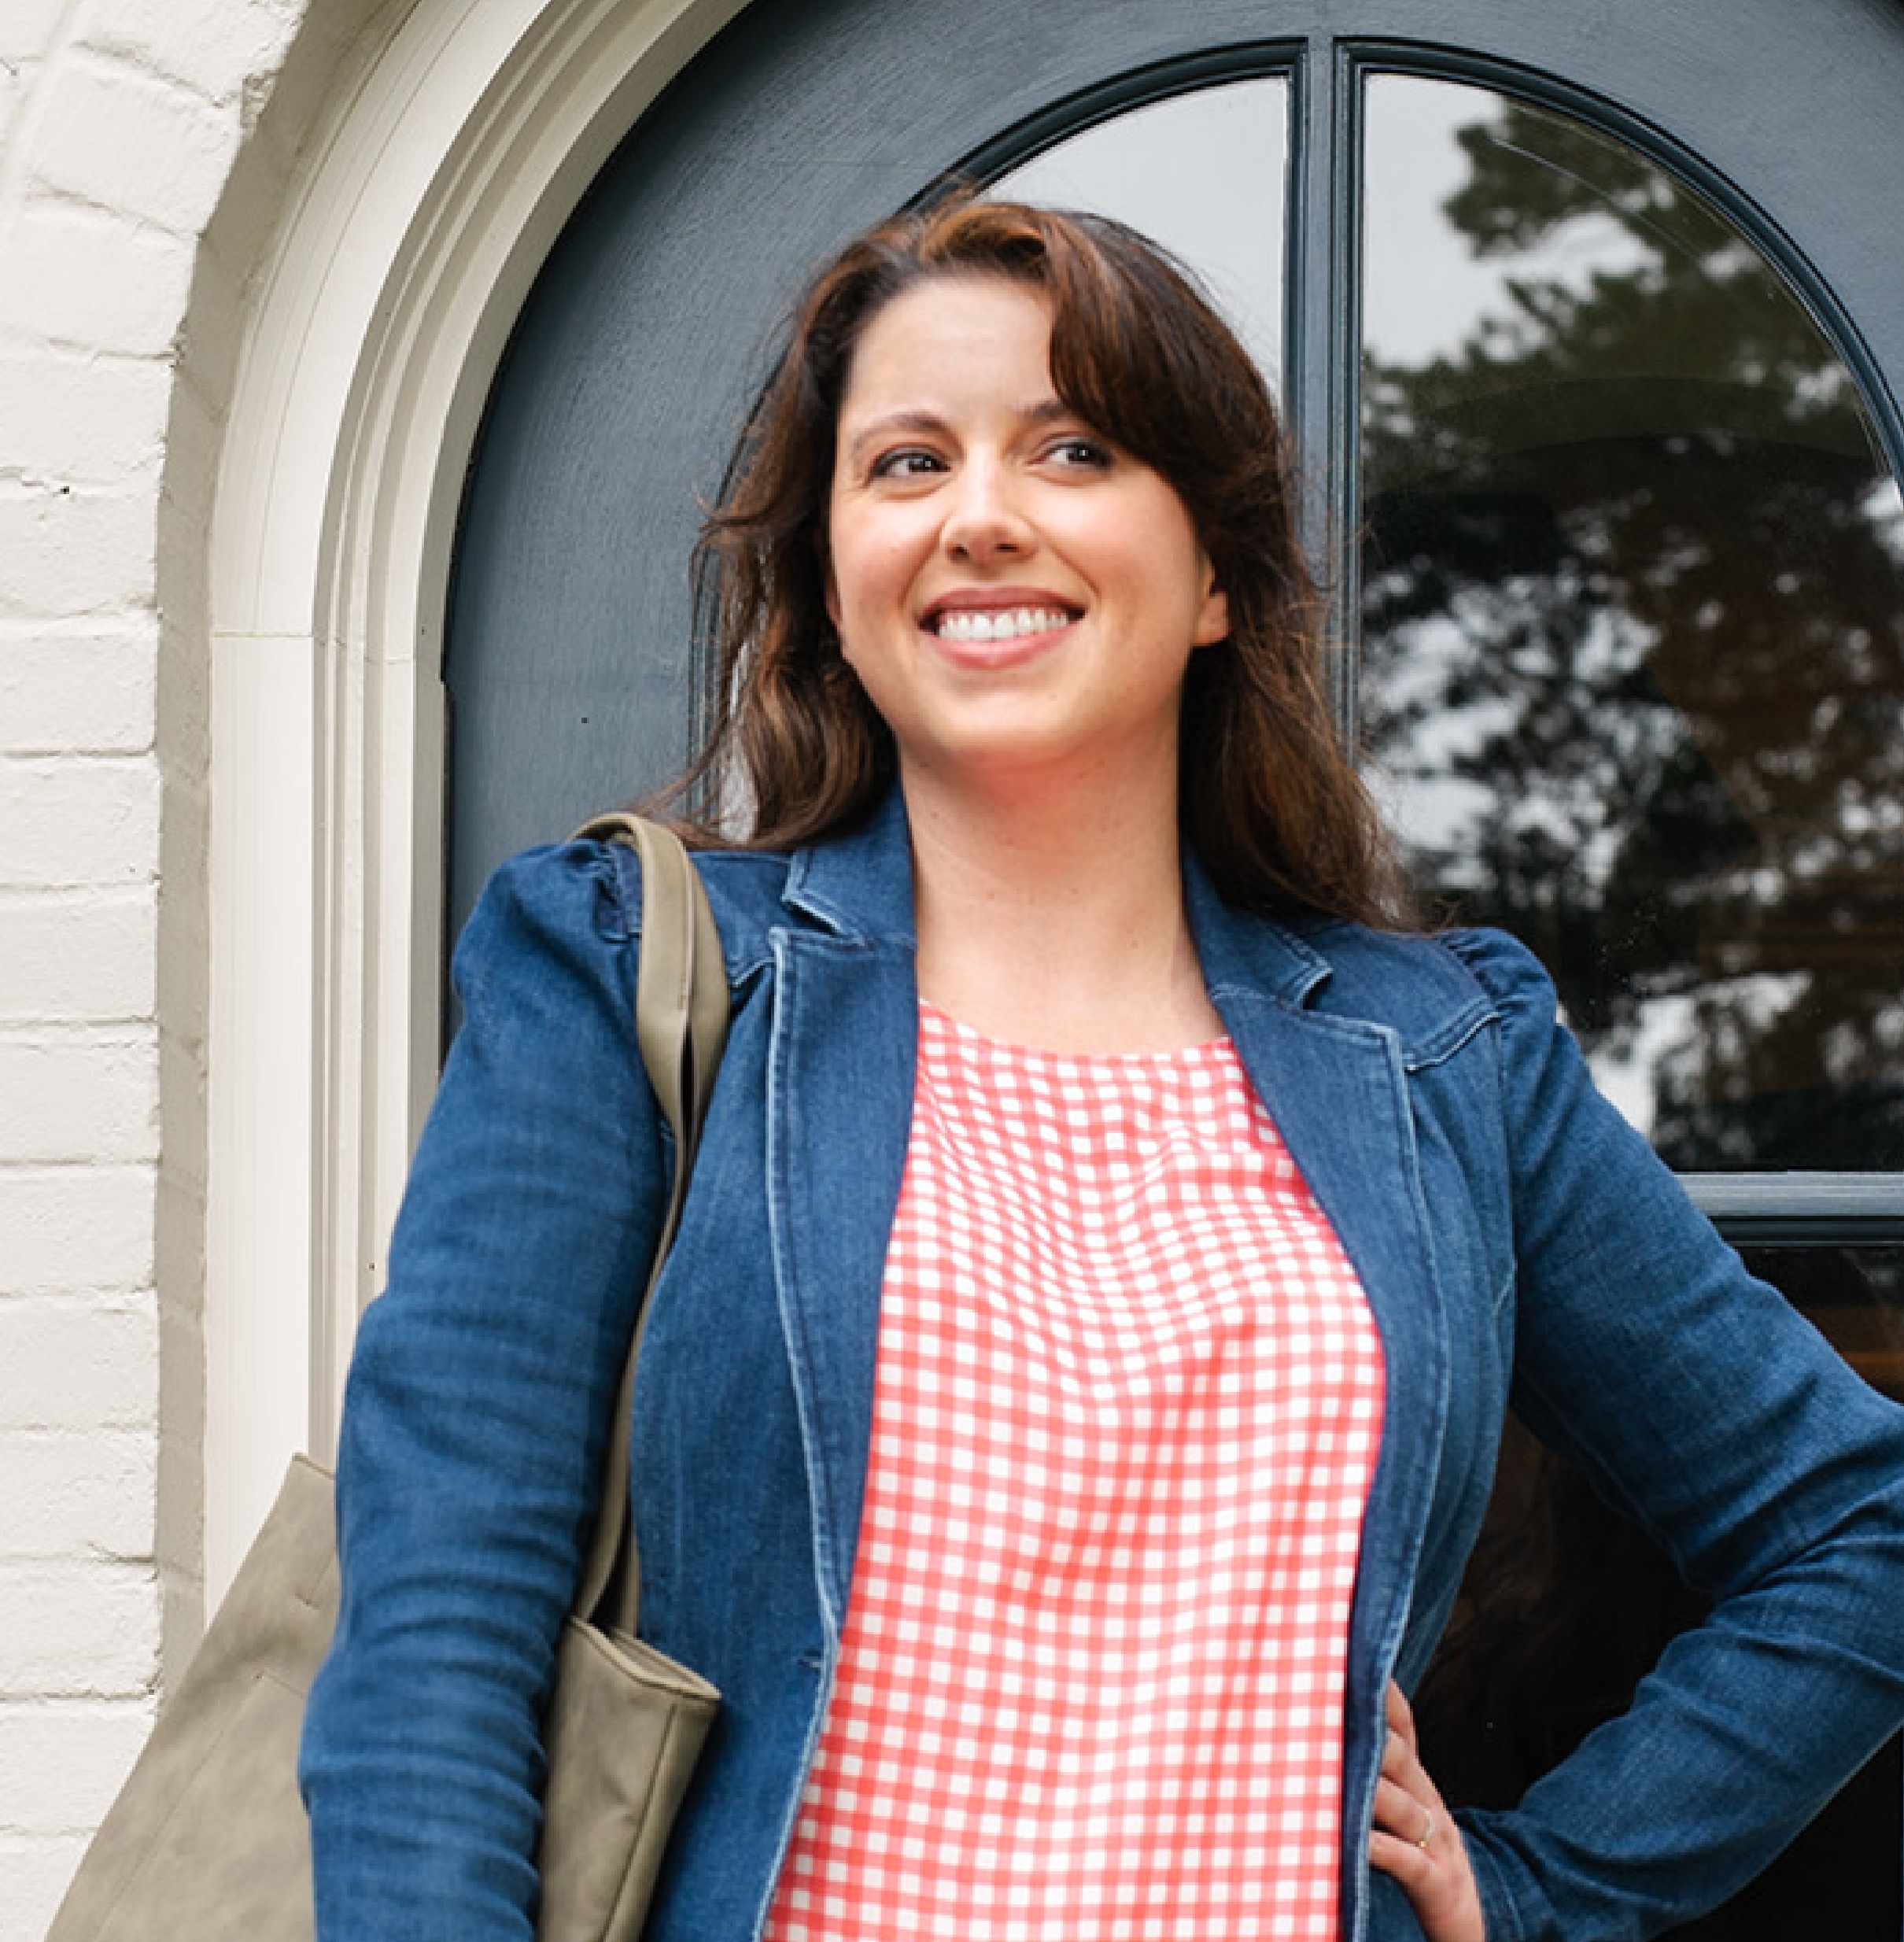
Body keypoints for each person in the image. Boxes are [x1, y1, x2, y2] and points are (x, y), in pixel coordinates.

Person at [299, 194, 1904, 1942]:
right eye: (906, 465)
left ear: (1212, 572)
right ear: (833, 583)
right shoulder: (621, 970)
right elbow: (440, 1629)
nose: (980, 518)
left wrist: (1527, 1892)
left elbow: (1857, 1532)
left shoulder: (1444, 1053)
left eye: (1071, 449)